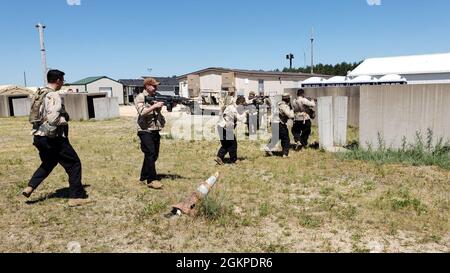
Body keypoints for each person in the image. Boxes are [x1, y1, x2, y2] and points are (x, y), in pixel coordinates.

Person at [23, 70, 91, 207]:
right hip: (53, 138)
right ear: (58, 80)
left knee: (49, 162)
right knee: (74, 164)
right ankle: (76, 197)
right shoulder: (54, 95)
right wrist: (64, 119)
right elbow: (53, 119)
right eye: (63, 80)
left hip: (38, 136)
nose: (63, 83)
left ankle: (30, 186)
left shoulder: (40, 93)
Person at [135, 78, 166, 190]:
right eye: (153, 86)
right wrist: (155, 106)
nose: (156, 88)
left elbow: (158, 110)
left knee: (153, 154)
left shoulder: (157, 95)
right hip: (144, 129)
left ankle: (143, 176)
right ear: (147, 86)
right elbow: (142, 112)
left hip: (155, 129)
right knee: (150, 153)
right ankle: (151, 180)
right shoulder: (140, 97)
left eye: (156, 86)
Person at [215, 96, 247, 165]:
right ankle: (234, 159)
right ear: (240, 103)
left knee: (226, 144)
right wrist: (245, 113)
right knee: (233, 144)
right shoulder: (233, 109)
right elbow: (240, 118)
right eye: (243, 105)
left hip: (221, 127)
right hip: (225, 128)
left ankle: (220, 157)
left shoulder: (231, 107)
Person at [264, 93, 295, 158]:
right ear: (287, 99)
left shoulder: (278, 104)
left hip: (273, 122)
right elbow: (290, 115)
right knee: (285, 139)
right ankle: (285, 154)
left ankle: (268, 148)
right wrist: (291, 109)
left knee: (276, 137)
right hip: (279, 123)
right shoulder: (284, 106)